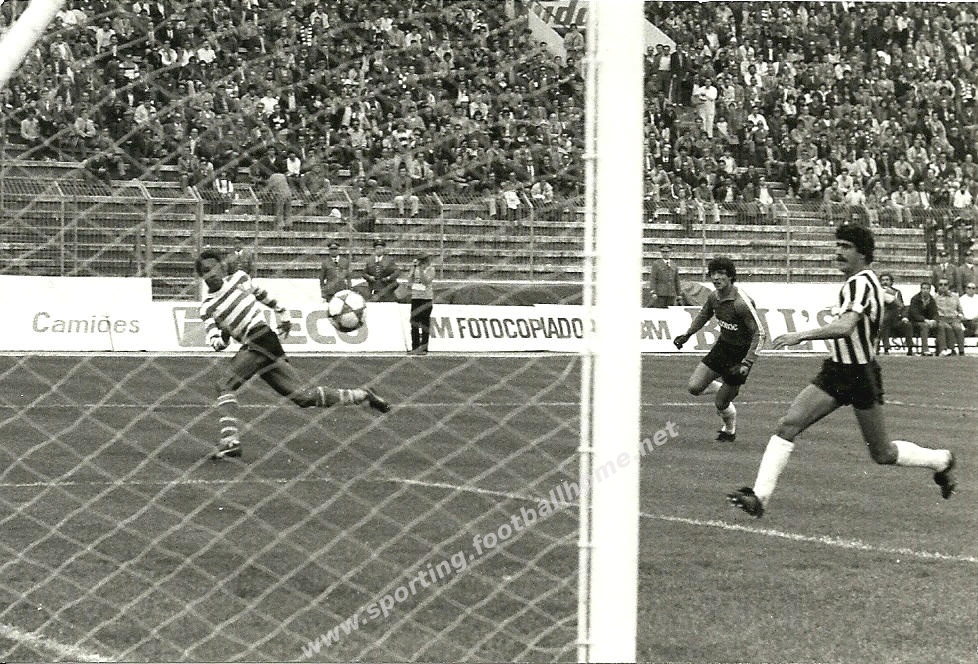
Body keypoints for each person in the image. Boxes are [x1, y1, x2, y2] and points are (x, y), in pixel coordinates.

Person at [727, 225, 957, 518]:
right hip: (836, 370)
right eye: (838, 245)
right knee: (787, 425)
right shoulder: (864, 282)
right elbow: (880, 309)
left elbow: (846, 326)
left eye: (846, 247)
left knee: (882, 453)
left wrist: (801, 335)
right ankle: (759, 498)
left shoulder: (860, 283)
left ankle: (942, 460)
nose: (838, 252)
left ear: (862, 254)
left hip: (860, 375)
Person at [194, 248, 390, 460]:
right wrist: (223, 334)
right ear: (201, 275)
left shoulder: (239, 279)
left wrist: (283, 314)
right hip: (256, 345)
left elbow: (262, 295)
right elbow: (217, 342)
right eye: (206, 270)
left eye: (215, 267)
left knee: (225, 385)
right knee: (303, 397)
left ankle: (230, 441)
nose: (212, 273)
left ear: (222, 267)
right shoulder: (207, 307)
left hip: (261, 337)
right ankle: (362, 395)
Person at [673, 257, 765, 442]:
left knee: (721, 403)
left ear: (730, 276)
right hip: (723, 347)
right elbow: (703, 315)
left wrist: (747, 363)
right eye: (713, 274)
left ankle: (729, 430)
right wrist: (687, 334)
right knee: (694, 387)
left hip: (740, 356)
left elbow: (760, 333)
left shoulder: (741, 303)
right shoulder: (713, 297)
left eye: (721, 273)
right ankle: (721, 388)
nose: (716, 278)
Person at [878, 272, 913, 355]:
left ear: (891, 282)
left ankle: (910, 348)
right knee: (884, 322)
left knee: (907, 324)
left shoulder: (897, 292)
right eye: (883, 280)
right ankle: (886, 348)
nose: (885, 282)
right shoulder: (878, 292)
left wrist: (904, 317)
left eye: (887, 280)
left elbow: (902, 306)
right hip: (883, 319)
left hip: (896, 319)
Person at [408, 254, 436, 354]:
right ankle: (415, 347)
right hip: (416, 297)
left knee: (424, 323)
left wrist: (420, 270)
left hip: (426, 298)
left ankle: (424, 347)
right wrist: (412, 269)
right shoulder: (415, 268)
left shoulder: (431, 269)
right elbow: (409, 281)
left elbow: (425, 282)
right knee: (414, 322)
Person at [933, 278, 967, 356]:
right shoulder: (934, 298)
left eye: (945, 284)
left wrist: (961, 316)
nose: (943, 286)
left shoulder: (955, 296)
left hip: (954, 319)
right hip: (941, 319)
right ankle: (948, 349)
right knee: (947, 328)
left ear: (948, 286)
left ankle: (961, 351)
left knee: (958, 328)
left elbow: (960, 310)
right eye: (941, 284)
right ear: (938, 286)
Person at [907, 281, 940, 356]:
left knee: (940, 326)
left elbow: (935, 312)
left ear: (930, 290)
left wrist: (934, 320)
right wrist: (925, 320)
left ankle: (941, 349)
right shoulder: (915, 299)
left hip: (928, 322)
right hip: (915, 322)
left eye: (927, 289)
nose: (925, 290)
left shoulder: (931, 300)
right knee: (924, 326)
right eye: (923, 288)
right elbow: (914, 314)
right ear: (921, 289)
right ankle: (925, 349)